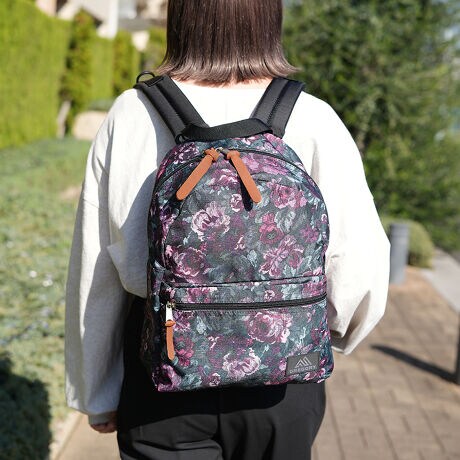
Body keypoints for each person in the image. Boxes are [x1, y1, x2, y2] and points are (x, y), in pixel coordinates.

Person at [65, 0, 390, 458]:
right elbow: (359, 267)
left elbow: (96, 269)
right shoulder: (312, 116)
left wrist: (95, 390)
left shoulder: (132, 113)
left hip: (163, 368)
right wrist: (326, 332)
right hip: (283, 376)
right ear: (269, 17)